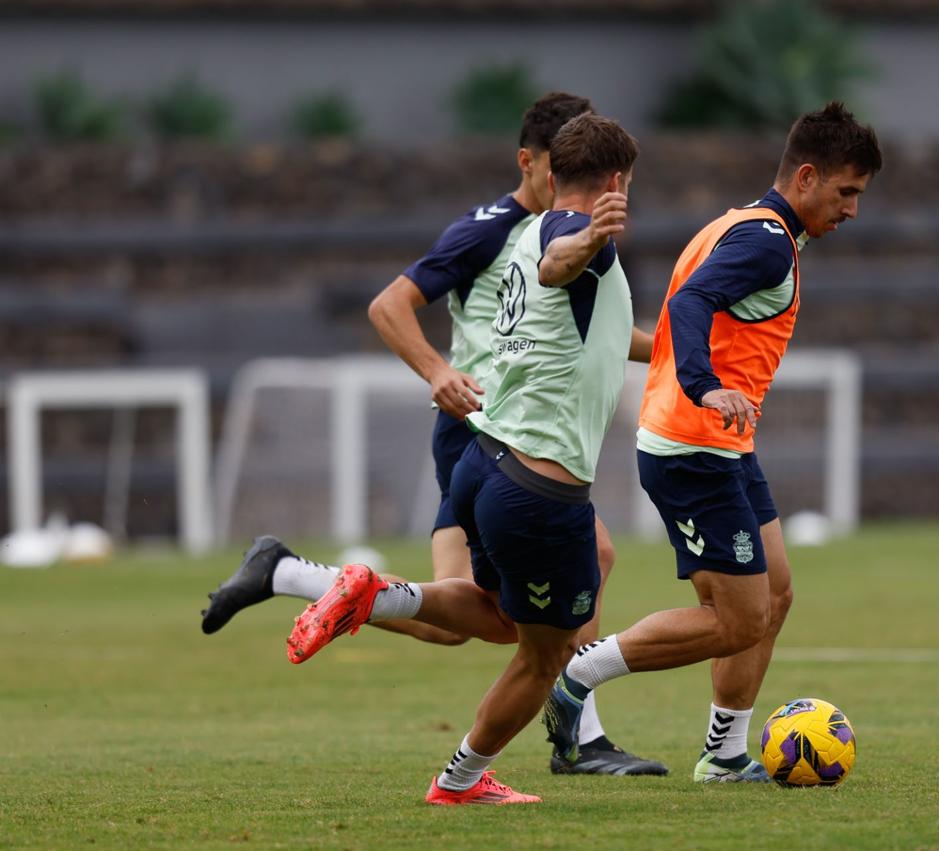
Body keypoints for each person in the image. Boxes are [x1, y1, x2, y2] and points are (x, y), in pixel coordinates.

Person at [199, 93, 662, 777]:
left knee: (479, 613)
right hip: (483, 433)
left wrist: (676, 351)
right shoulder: (495, 230)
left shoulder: (543, 229)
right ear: (531, 162)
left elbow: (594, 330)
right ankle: (575, 733)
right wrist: (439, 371)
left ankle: (293, 573)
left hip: (493, 441)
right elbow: (389, 305)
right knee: (564, 570)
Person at [543, 102, 882, 782]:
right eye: (846, 192)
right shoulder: (762, 241)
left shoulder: (744, 225)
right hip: (692, 445)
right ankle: (577, 673)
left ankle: (724, 756)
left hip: (721, 445)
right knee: (736, 620)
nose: (851, 209)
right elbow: (688, 304)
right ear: (808, 177)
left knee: (774, 594)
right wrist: (702, 385)